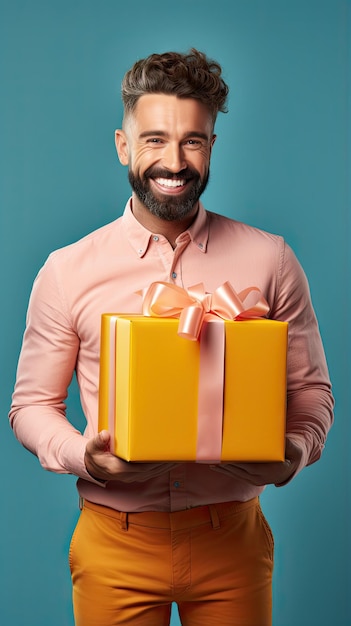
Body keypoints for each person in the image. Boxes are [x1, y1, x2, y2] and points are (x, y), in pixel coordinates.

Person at [9, 49, 334, 626]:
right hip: (115, 541)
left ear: (212, 146)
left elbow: (311, 394)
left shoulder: (271, 259)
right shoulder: (66, 269)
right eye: (154, 139)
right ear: (123, 145)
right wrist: (83, 455)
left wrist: (293, 453)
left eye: (193, 140)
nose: (174, 160)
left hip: (232, 538)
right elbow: (31, 406)